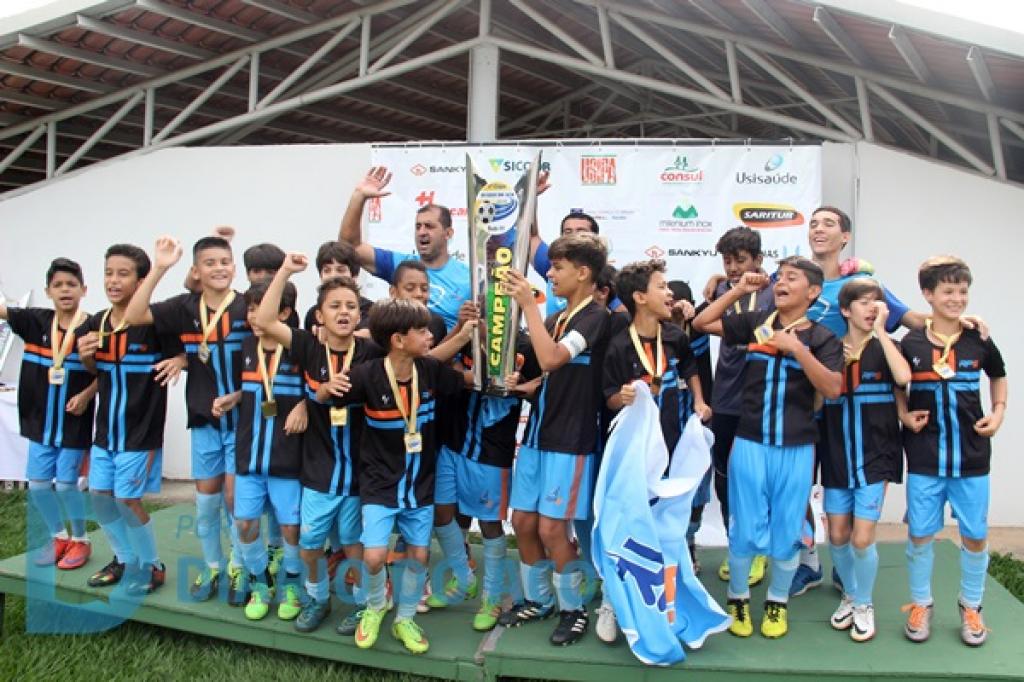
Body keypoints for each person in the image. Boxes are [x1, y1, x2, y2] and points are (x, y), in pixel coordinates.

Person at [694, 257, 842, 639]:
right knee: (744, 526)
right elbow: (701, 323)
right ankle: (738, 597)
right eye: (778, 278)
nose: (781, 283)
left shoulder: (823, 339)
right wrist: (740, 291)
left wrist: (797, 350)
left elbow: (832, 388)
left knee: (789, 528)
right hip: (750, 441)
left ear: (812, 292)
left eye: (791, 278)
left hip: (797, 448)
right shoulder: (755, 324)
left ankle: (777, 602)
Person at [324, 298, 474, 654]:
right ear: (398, 339)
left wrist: (506, 378)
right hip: (379, 484)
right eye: (422, 331)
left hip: (420, 485)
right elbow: (327, 396)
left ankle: (405, 618)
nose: (429, 335)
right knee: (374, 558)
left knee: (419, 557)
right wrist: (319, 392)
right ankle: (376, 606)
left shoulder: (430, 370)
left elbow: (463, 377)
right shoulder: (366, 374)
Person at [256, 259, 383, 636]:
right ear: (319, 315)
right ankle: (318, 597)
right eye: (334, 306)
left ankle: (365, 605)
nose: (343, 312)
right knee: (311, 546)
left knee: (355, 545)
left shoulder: (371, 352)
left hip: (362, 473)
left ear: (360, 314)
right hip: (319, 472)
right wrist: (283, 272)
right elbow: (264, 321)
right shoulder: (309, 348)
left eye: (350, 306)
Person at [124, 235, 252, 602]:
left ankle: (239, 566)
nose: (218, 268)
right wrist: (160, 266)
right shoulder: (184, 308)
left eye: (224, 261)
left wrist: (240, 395)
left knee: (234, 499)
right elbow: (134, 315)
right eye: (209, 263)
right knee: (207, 501)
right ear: (195, 271)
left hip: (243, 421)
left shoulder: (246, 306)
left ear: (234, 267)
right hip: (204, 421)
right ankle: (213, 566)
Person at [498, 232, 610, 647]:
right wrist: (525, 386)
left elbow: (552, 358)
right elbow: (548, 373)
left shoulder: (595, 316)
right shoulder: (558, 317)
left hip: (571, 440)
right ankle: (538, 599)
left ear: (583, 273)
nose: (549, 272)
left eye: (558, 267)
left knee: (551, 529)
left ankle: (573, 608)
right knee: (522, 522)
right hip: (537, 435)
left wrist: (529, 302)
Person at [598, 259, 711, 644]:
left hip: (672, 448)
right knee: (630, 527)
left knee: (666, 532)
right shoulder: (616, 345)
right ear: (640, 297)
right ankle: (612, 601)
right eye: (662, 287)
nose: (670, 294)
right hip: (633, 457)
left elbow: (692, 369)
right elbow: (608, 399)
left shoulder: (676, 336)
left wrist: (698, 401)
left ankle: (665, 604)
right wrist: (622, 397)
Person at [898, 256, 1006, 647]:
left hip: (972, 457)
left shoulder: (978, 338)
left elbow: (998, 374)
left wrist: (998, 413)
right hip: (925, 456)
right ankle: (920, 603)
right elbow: (897, 384)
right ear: (928, 295)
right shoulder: (909, 342)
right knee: (921, 534)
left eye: (962, 291)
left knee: (975, 535)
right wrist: (903, 414)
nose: (957, 298)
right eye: (948, 291)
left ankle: (972, 606)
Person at [76, 244, 185, 594]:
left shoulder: (154, 323)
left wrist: (180, 362)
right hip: (106, 431)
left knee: (127, 499)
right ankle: (124, 559)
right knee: (99, 495)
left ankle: (152, 565)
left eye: (123, 274)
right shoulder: (96, 323)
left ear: (140, 282)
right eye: (109, 272)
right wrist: (85, 357)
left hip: (141, 433)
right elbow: (97, 372)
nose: (113, 280)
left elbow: (188, 352)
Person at [820, 279, 910, 642]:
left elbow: (904, 377)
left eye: (877, 303)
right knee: (837, 535)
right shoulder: (829, 349)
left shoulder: (889, 347)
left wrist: (883, 334)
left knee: (861, 538)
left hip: (877, 454)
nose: (871, 308)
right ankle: (850, 593)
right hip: (837, 454)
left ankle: (864, 603)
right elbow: (816, 400)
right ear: (845, 310)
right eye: (863, 302)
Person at [1, 258, 97, 570]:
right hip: (39, 423)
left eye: (71, 284)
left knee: (68, 485)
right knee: (40, 485)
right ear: (47, 291)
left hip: (73, 423)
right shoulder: (34, 321)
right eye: (58, 285)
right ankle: (58, 536)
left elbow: (107, 371)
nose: (65, 290)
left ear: (84, 289)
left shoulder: (94, 327)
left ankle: (81, 540)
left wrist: (86, 394)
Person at [229, 281, 306, 621]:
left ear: (285, 313)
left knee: (291, 528)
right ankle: (261, 581)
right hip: (250, 455)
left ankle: (291, 582)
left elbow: (319, 390)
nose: (254, 316)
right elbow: (247, 391)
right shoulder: (245, 346)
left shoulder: (300, 349)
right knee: (245, 523)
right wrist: (230, 398)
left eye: (262, 308)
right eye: (250, 308)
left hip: (287, 457)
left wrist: (304, 404)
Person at [705, 227, 775, 587]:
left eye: (740, 260)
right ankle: (738, 545)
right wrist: (724, 283)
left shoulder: (776, 291)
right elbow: (704, 323)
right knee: (724, 476)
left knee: (756, 478)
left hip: (763, 398)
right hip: (726, 397)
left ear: (759, 260)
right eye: (727, 261)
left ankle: (758, 547)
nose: (732, 268)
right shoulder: (720, 290)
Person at [337, 166, 470, 330]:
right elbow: (350, 247)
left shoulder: (468, 278)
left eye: (429, 226)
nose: (421, 232)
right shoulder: (401, 265)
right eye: (418, 226)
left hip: (446, 353)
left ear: (448, 233)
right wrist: (359, 197)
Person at [529, 210, 625, 316]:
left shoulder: (604, 274)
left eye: (581, 231)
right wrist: (531, 195)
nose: (574, 236)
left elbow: (622, 315)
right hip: (553, 332)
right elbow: (530, 236)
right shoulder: (552, 265)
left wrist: (528, 306)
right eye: (568, 232)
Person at [303, 240, 373, 331]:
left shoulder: (371, 311)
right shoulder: (313, 314)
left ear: (354, 276)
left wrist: (329, 335)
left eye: (341, 270)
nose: (333, 276)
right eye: (327, 270)